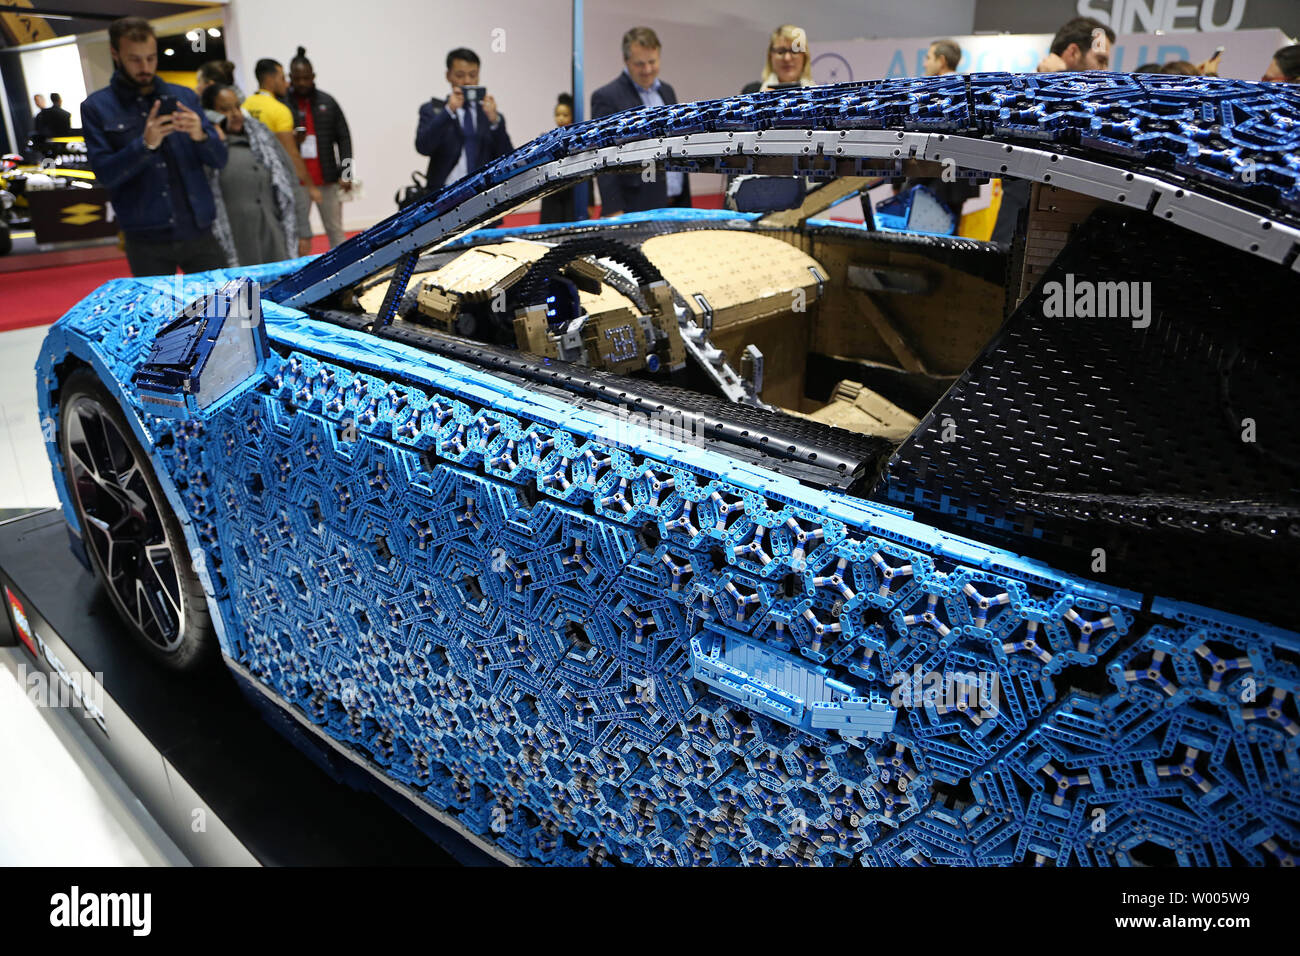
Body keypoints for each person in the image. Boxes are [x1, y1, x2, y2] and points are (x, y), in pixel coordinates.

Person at [80, 17, 227, 276]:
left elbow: (219, 160)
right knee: (160, 315)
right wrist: (145, 146)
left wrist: (201, 136)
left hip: (199, 229)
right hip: (146, 239)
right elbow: (105, 174)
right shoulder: (96, 108)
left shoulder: (185, 97)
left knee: (228, 309)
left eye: (151, 57)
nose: (145, 67)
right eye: (135, 59)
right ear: (116, 54)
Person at [991, 17, 1115, 247]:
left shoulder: (1086, 105)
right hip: (1016, 241)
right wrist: (1060, 83)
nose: (1105, 71)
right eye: (1100, 60)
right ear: (1073, 52)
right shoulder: (1025, 96)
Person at [591, 27, 691, 216]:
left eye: (652, 62)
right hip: (635, 205)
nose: (647, 70)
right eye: (639, 64)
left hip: (677, 203)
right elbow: (602, 155)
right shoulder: (607, 97)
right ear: (626, 60)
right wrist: (613, 209)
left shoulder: (667, 92)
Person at [201, 84, 297, 267]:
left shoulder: (262, 136)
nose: (235, 114)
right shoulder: (206, 149)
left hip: (272, 235)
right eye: (225, 109)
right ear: (209, 113)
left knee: (278, 290)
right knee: (245, 294)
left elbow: (289, 181)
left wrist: (303, 231)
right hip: (235, 244)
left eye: (237, 106)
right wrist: (213, 140)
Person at [415, 47, 513, 197]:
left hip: (483, 195)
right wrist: (448, 112)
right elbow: (423, 147)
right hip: (443, 196)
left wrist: (495, 122)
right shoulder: (433, 110)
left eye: (473, 75)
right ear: (448, 76)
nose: (467, 81)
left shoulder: (489, 115)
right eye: (460, 75)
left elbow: (507, 157)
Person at [243, 56, 318, 250]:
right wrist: (310, 186)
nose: (286, 83)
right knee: (300, 239)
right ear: (271, 79)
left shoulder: (244, 107)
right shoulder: (279, 110)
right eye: (283, 77)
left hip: (254, 183)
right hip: (282, 183)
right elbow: (291, 153)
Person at [288, 47, 352, 250]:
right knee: (299, 235)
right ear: (290, 77)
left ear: (313, 76)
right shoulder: (283, 103)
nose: (302, 83)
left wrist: (347, 173)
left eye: (306, 78)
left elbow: (344, 138)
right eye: (297, 78)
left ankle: (344, 274)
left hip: (327, 179)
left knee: (335, 231)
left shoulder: (327, 101)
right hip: (297, 182)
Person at [539, 93, 579, 224]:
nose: (561, 118)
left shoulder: (578, 140)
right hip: (551, 195)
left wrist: (588, 201)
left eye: (565, 115)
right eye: (558, 114)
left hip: (572, 195)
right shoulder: (547, 140)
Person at [742, 24, 813, 93]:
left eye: (794, 51)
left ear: (805, 56)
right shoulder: (750, 93)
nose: (787, 58)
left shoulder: (820, 98)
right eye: (780, 52)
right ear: (770, 56)